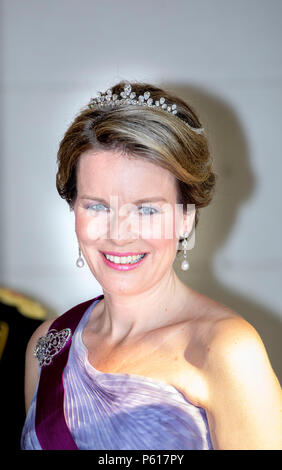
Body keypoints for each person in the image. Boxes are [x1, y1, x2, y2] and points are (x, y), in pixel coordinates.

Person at [21, 81, 281, 450]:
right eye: (97, 205)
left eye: (146, 209)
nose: (119, 235)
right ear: (73, 209)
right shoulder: (47, 344)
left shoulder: (223, 350)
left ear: (185, 218)